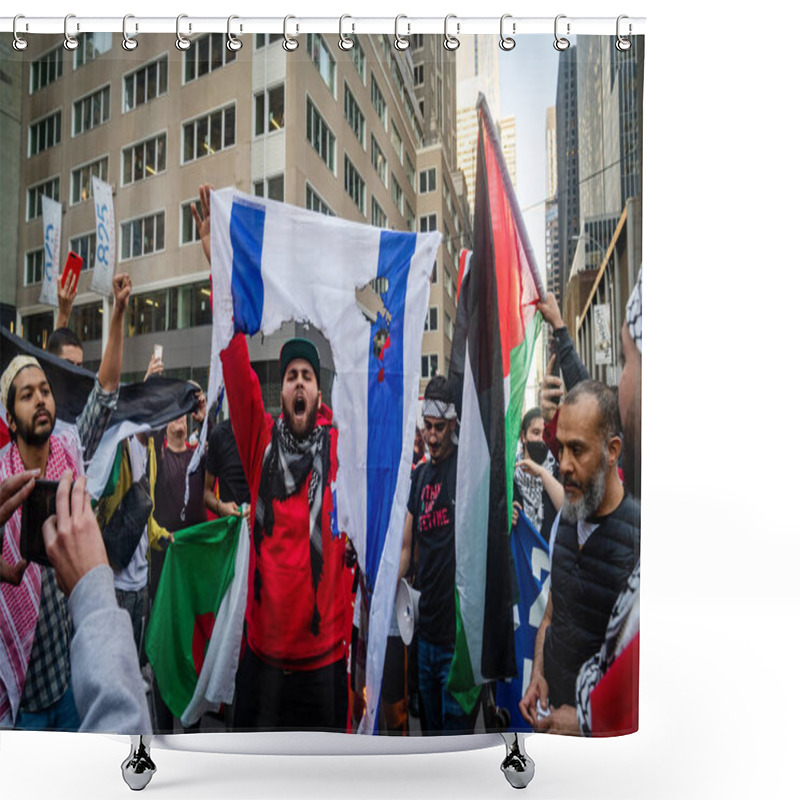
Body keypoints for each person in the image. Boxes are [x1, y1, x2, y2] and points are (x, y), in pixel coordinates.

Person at [191, 183, 350, 730]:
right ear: (279, 393)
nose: (298, 383)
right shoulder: (259, 441)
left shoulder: (341, 452)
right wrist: (220, 263)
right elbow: (233, 354)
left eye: (307, 376)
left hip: (325, 662)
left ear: (320, 396)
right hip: (263, 660)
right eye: (289, 377)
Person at [0, 273, 130, 729]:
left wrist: (117, 314)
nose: (39, 399)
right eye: (26, 394)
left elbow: (106, 391)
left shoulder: (69, 451)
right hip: (21, 694)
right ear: (10, 418)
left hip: (68, 680)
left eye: (45, 391)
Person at [518, 380, 640, 731]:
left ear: (612, 450)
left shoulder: (639, 543)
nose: (565, 465)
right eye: (560, 449)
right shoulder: (567, 519)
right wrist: (538, 675)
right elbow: (550, 620)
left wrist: (587, 722)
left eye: (578, 449)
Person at [41, 471, 151, 734]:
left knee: (132, 659)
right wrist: (94, 586)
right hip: (114, 582)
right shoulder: (120, 446)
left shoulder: (147, 455)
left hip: (131, 585)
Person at [399, 376, 477, 735]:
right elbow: (406, 550)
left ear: (454, 424)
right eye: (427, 427)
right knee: (430, 743)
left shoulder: (467, 470)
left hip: (459, 643)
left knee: (456, 748)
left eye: (440, 428)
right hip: (425, 638)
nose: (431, 436)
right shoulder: (419, 477)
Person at [512, 407, 563, 537]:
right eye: (535, 433)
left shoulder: (557, 472)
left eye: (544, 433)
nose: (541, 439)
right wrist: (508, 513)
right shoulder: (511, 477)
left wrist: (541, 473)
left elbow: (566, 511)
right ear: (524, 436)